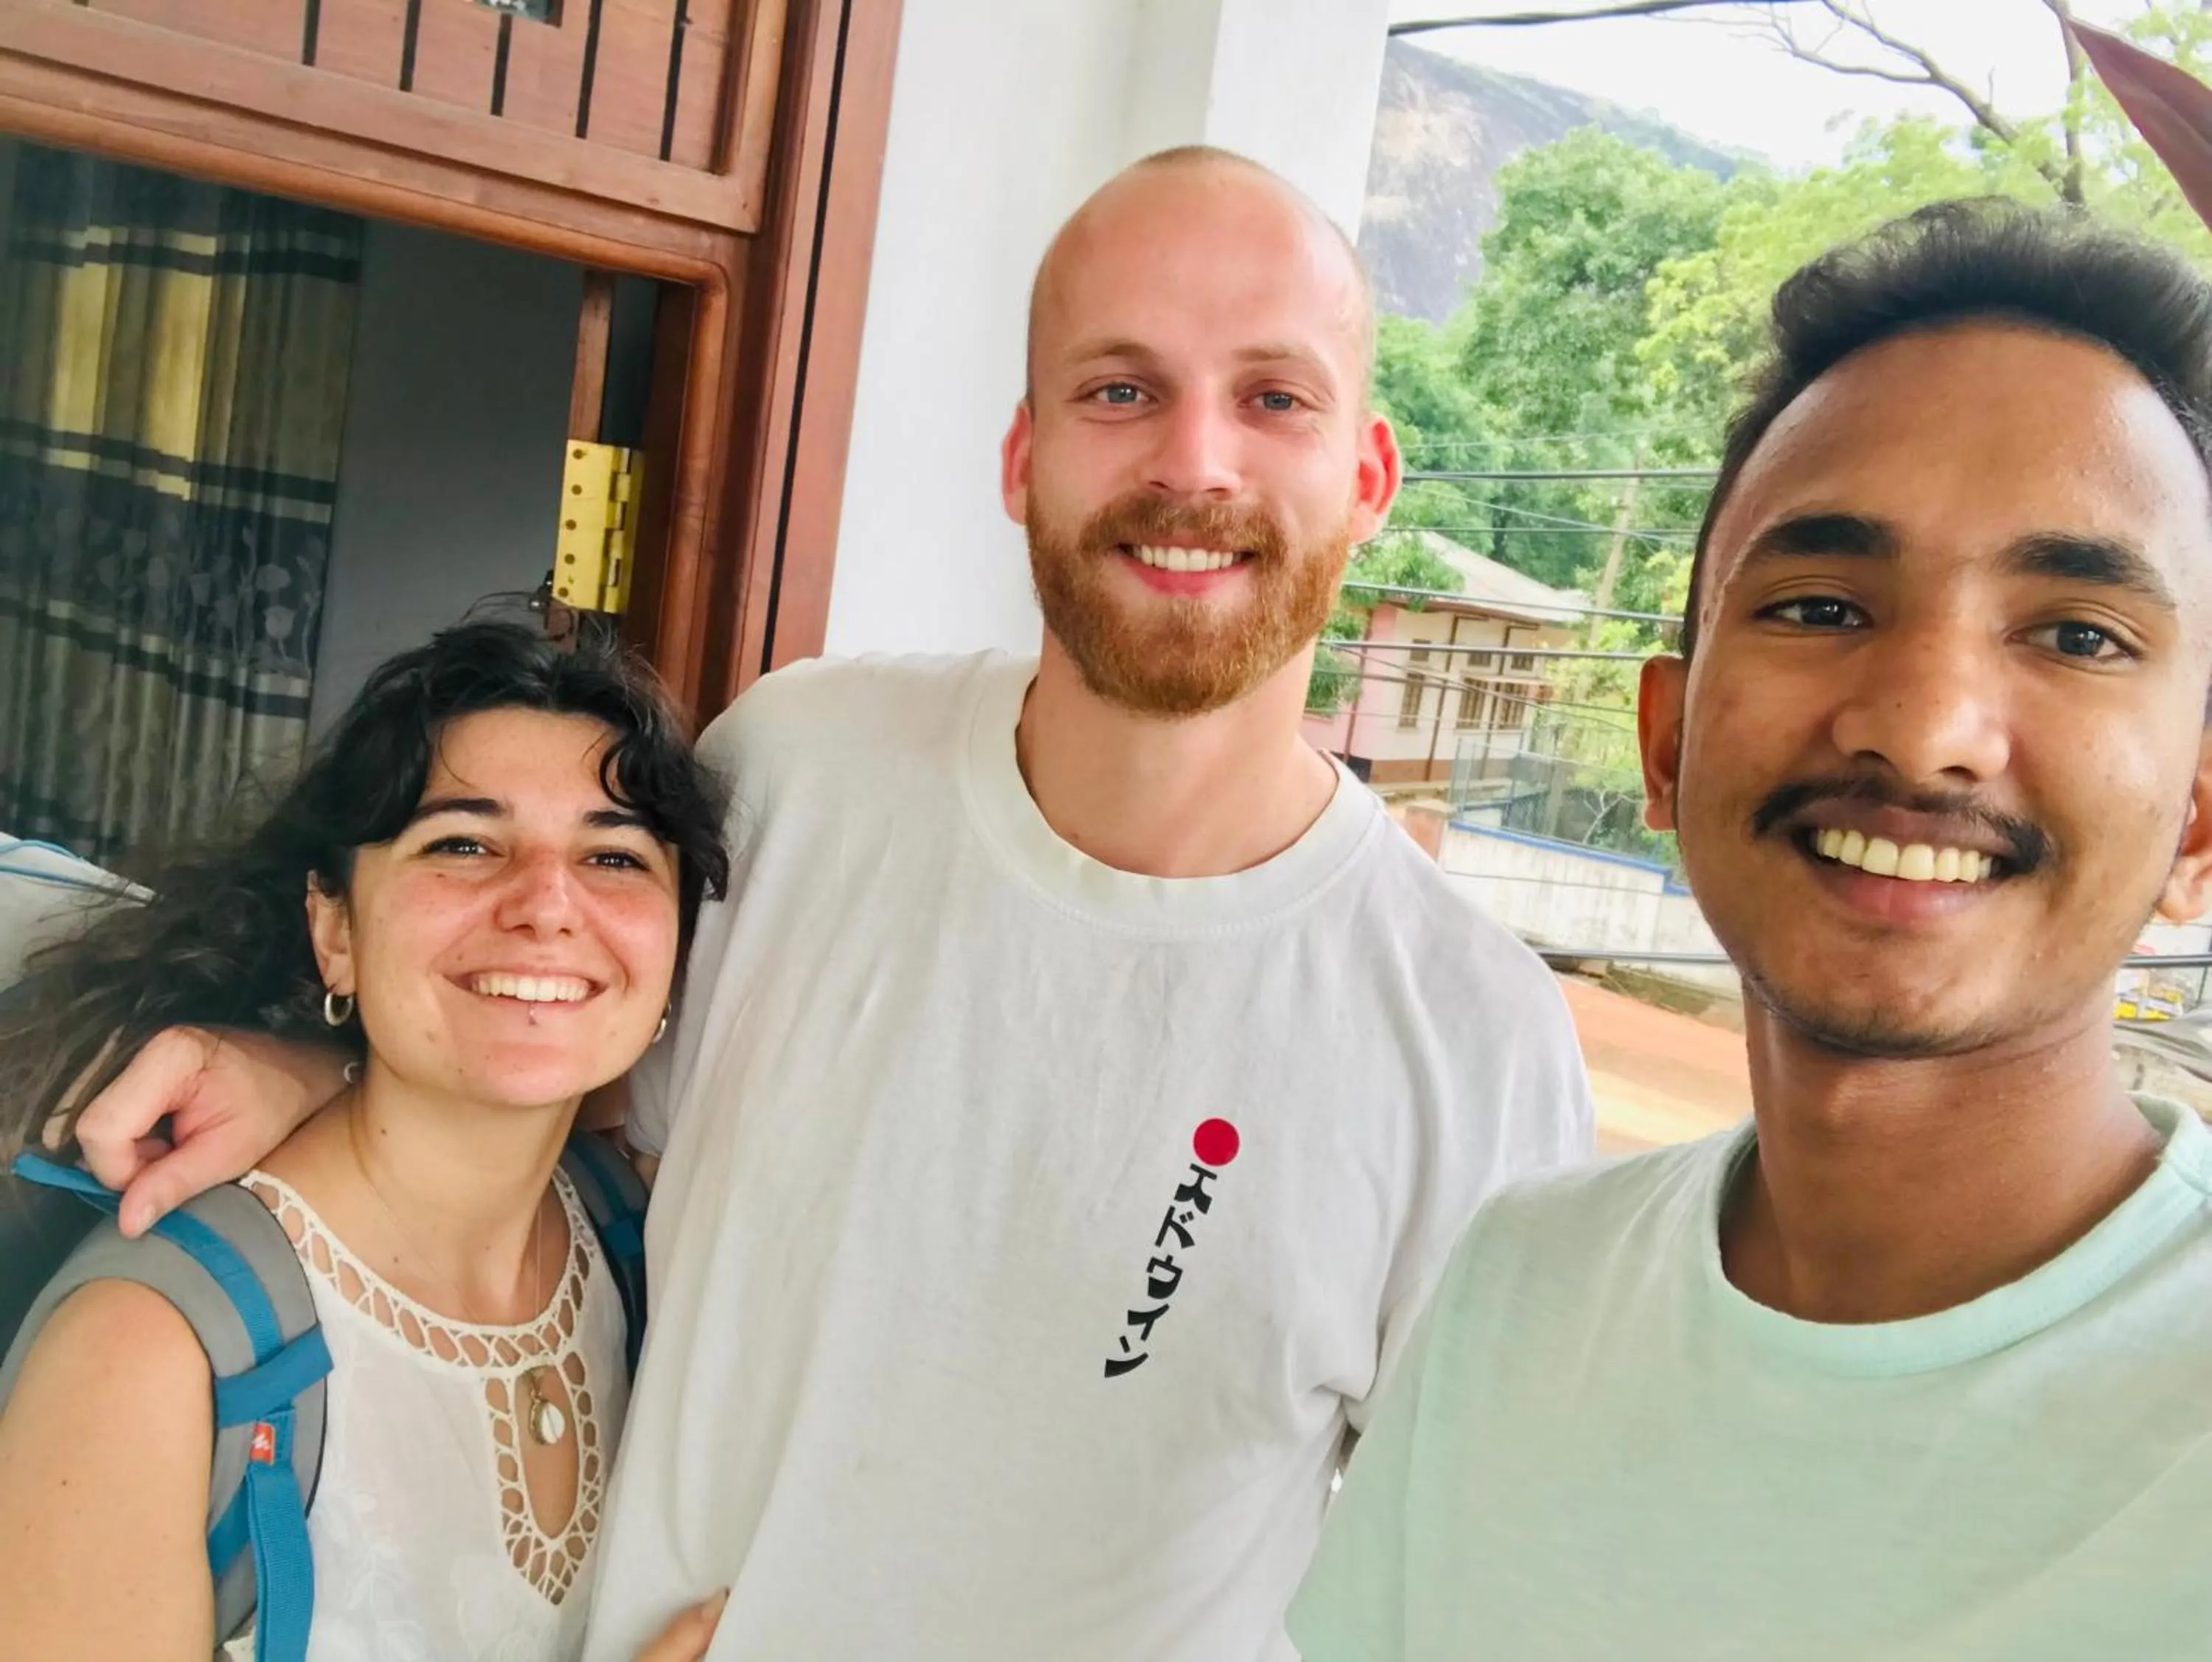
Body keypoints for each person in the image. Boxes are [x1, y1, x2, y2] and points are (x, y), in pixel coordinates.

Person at [63, 147, 1596, 1661]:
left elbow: (1482, 1590)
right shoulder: (802, 771)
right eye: (1119, 389)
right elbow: (552, 1096)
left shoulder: (1474, 1034)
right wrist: (320, 1063)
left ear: (1370, 473)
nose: (1195, 462)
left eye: (1274, 397)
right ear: (1021, 457)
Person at [1290, 198, 2212, 1660]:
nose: (1921, 727)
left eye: (2077, 632)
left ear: (2201, 817)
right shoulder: (1517, 1291)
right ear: (1664, 746)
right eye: (1823, 603)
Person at [0, 622, 735, 1662]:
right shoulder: (155, 1355)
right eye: (464, 842)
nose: (546, 903)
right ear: (335, 928)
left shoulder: (639, 1246)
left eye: (613, 854)